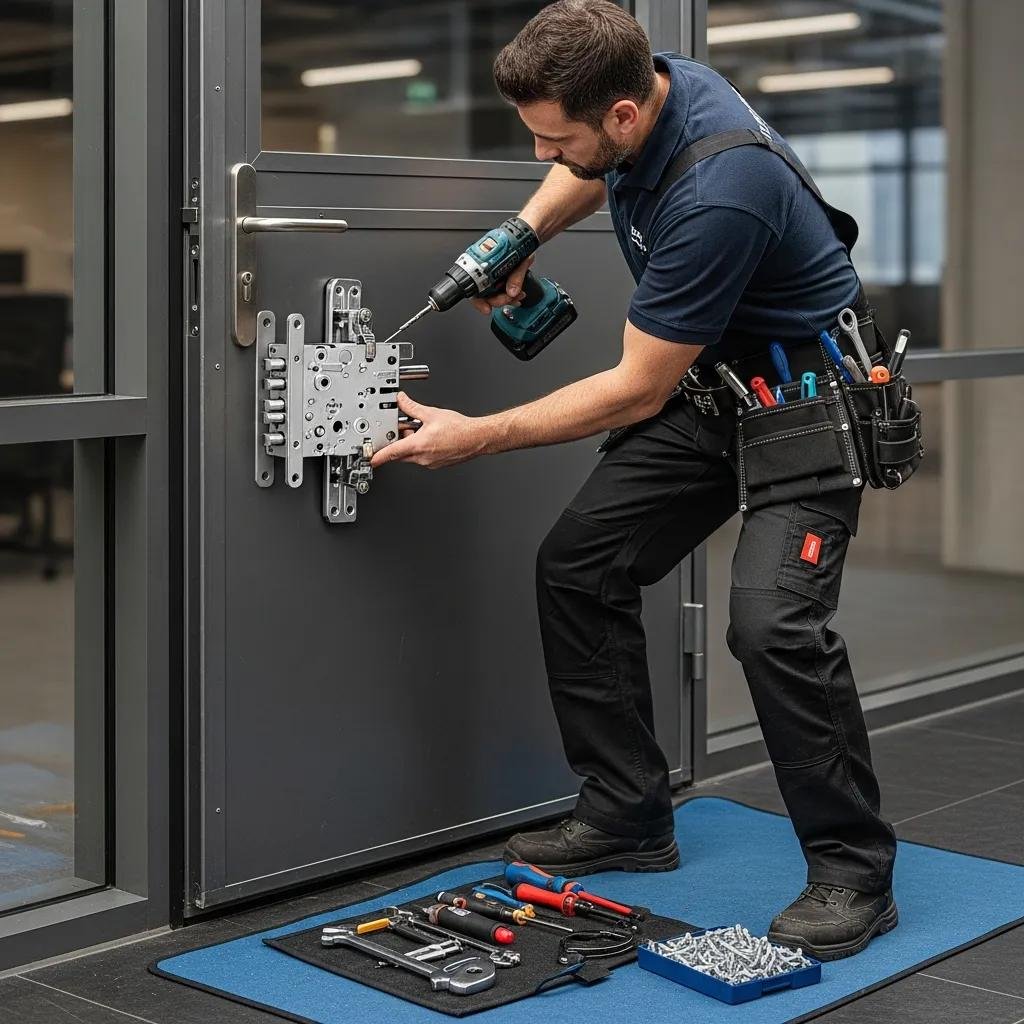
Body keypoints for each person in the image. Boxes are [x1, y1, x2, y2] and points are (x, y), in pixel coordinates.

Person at [370, 0, 898, 961]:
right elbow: (585, 174)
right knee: (581, 565)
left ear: (621, 113)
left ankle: (853, 869)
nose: (544, 157)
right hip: (718, 388)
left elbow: (633, 389)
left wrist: (474, 436)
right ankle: (628, 812)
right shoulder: (656, 81)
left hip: (810, 403)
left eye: (556, 140)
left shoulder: (720, 193)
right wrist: (522, 233)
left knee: (773, 626)